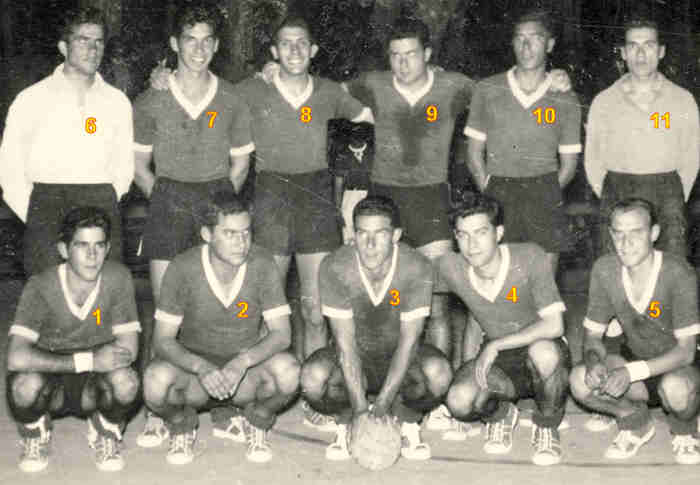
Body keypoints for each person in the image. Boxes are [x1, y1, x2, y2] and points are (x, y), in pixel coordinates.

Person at [132, 3, 255, 447]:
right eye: (190, 40)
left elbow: (241, 164)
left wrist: (218, 212)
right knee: (166, 310)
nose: (198, 49)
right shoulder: (151, 99)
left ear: (217, 46)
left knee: (217, 307)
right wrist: (166, 201)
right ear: (174, 44)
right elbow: (138, 166)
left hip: (215, 201)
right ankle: (157, 409)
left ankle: (224, 406)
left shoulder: (232, 100)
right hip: (169, 202)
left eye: (207, 41)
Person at [143, 192, 300, 465]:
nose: (241, 243)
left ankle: (257, 420)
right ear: (207, 234)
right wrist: (200, 367)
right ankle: (181, 425)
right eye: (230, 234)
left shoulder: (262, 264)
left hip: (243, 374)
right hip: (196, 378)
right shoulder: (183, 267)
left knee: (289, 372)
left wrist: (242, 362)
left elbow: (282, 334)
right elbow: (163, 340)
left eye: (246, 232)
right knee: (154, 382)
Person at [302, 195, 452, 461]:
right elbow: (345, 346)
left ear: (396, 235)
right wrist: (361, 412)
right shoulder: (335, 266)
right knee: (312, 378)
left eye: (380, 234)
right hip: (357, 358)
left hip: (400, 358)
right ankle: (346, 421)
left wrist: (381, 405)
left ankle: (406, 419)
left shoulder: (416, 266)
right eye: (362, 234)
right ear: (353, 235)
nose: (370, 245)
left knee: (439, 373)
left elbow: (409, 343)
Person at [0, 7, 133, 276]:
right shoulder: (31, 99)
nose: (93, 50)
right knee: (49, 296)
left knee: (103, 294)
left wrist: (103, 208)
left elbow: (124, 168)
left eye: (98, 42)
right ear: (63, 47)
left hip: (100, 206)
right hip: (47, 207)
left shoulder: (117, 101)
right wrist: (38, 217)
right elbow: (9, 170)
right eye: (83, 41)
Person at [6, 207, 141, 472]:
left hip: (94, 382)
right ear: (64, 250)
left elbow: (129, 349)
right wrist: (88, 360)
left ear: (107, 248)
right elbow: (16, 357)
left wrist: (97, 359)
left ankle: (105, 427)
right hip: (52, 379)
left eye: (99, 245)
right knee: (24, 386)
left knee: (127, 382)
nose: (92, 256)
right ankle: (35, 429)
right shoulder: (41, 285)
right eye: (81, 245)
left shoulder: (117, 277)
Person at [438, 193, 569, 466]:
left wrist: (496, 345)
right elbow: (405, 281)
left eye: (481, 232)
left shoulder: (529, 257)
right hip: (501, 363)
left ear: (498, 233)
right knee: (459, 400)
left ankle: (547, 425)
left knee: (544, 352)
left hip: (540, 346)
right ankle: (502, 415)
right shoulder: (451, 267)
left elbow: (554, 325)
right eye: (463, 235)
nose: (472, 245)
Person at [569, 198, 700, 465]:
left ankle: (685, 428)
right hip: (636, 361)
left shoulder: (678, 272)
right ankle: (635, 421)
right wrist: (594, 362)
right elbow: (592, 336)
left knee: (676, 390)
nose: (625, 243)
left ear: (654, 233)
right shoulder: (605, 269)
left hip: (678, 365)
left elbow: (686, 352)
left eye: (636, 232)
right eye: (618, 233)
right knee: (580, 380)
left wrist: (631, 372)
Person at [465, 9, 581, 276]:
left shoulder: (565, 98)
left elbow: (569, 165)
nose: (526, 46)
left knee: (543, 283)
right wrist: (490, 189)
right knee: (500, 280)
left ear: (549, 44)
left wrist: (547, 191)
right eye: (520, 38)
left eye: (536, 38)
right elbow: (473, 155)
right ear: (512, 43)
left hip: (544, 191)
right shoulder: (488, 89)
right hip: (499, 189)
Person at [584, 17, 699, 259]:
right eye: (633, 45)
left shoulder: (682, 99)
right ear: (623, 53)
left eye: (648, 45)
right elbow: (593, 158)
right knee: (616, 265)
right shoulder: (604, 101)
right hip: (617, 192)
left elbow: (692, 156)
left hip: (667, 194)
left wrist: (675, 196)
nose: (640, 53)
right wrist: (611, 197)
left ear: (661, 51)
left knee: (672, 266)